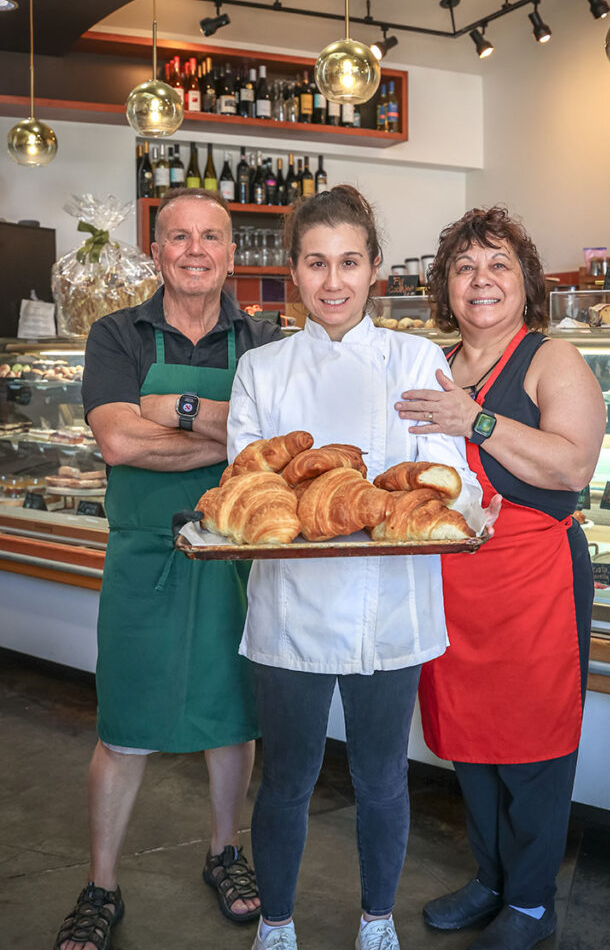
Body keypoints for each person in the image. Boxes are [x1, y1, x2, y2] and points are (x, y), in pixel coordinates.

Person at [226, 186, 491, 950]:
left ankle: (376, 923)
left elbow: (445, 476)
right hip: (288, 610)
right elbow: (254, 484)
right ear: (292, 274)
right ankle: (276, 926)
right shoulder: (263, 369)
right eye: (316, 263)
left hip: (392, 606)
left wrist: (468, 502)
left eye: (348, 261)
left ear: (374, 268)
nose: (332, 281)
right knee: (285, 780)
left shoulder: (414, 359)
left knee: (381, 779)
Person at [53, 189, 281, 950]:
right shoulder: (116, 332)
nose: (194, 250)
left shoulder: (262, 339)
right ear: (157, 252)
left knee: (231, 716)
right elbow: (118, 442)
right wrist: (229, 434)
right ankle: (101, 884)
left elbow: (272, 446)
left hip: (235, 553)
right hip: (144, 551)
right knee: (124, 726)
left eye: (209, 237)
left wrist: (170, 407)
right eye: (178, 237)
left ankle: (225, 852)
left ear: (230, 252)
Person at [396, 206, 605, 950]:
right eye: (463, 267)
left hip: (534, 578)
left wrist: (475, 421)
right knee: (469, 741)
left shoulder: (553, 360)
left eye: (497, 266)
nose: (479, 280)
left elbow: (571, 466)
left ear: (525, 285)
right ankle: (488, 880)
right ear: (444, 287)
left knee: (535, 746)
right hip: (451, 576)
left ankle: (531, 900)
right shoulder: (430, 365)